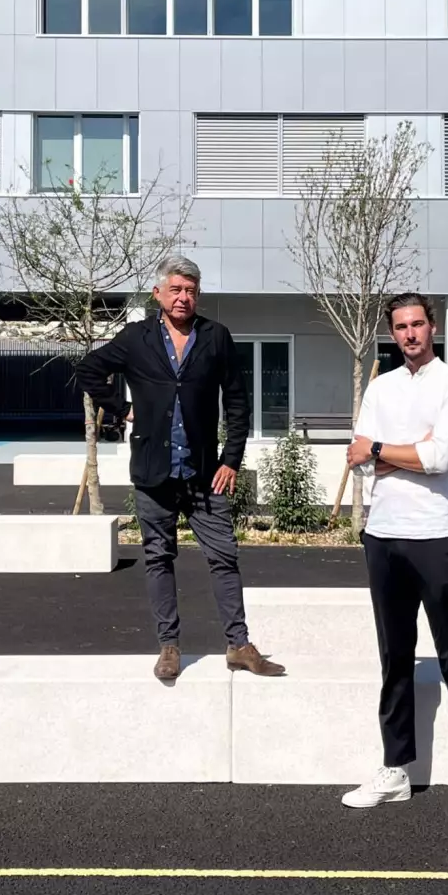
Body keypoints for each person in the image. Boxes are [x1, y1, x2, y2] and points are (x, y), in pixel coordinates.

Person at [75, 255, 285, 683]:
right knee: (158, 557)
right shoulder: (136, 338)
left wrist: (231, 459)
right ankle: (169, 647)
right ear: (158, 294)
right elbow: (89, 369)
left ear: (198, 295)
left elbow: (238, 402)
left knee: (224, 556)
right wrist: (122, 409)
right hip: (153, 470)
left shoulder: (216, 337)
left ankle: (239, 645)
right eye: (175, 289)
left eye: (190, 290)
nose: (183, 297)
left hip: (205, 472)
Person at [341, 293, 448, 832]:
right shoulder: (380, 387)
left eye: (417, 324)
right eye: (401, 327)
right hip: (382, 537)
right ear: (393, 333)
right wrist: (398, 452)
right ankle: (395, 769)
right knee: (395, 659)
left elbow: (439, 458)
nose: (410, 334)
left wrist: (383, 450)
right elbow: (360, 461)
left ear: (433, 327)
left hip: (435, 538)